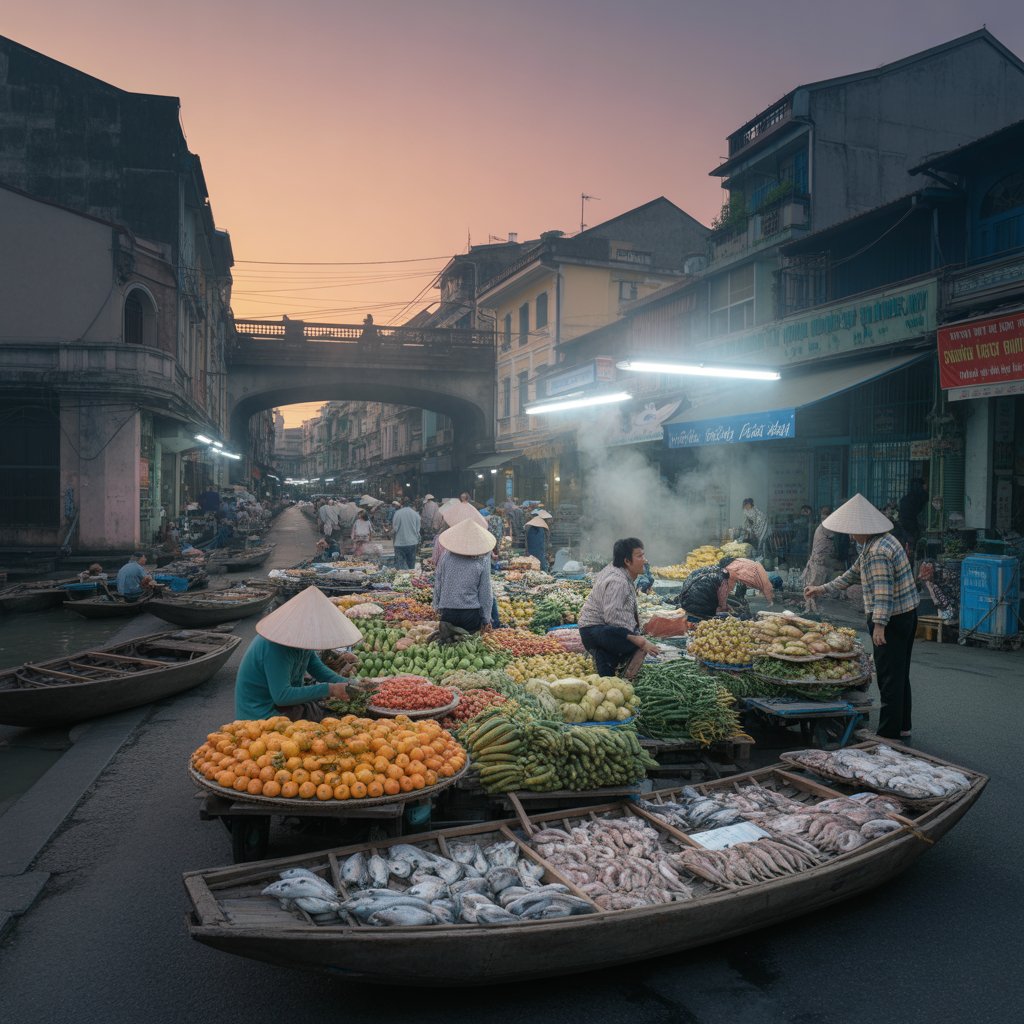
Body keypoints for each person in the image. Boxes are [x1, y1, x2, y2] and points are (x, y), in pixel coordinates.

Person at [804, 494, 920, 740]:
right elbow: (851, 575)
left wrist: (879, 626)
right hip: (905, 613)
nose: (849, 535)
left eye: (851, 531)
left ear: (862, 529)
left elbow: (883, 592)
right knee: (899, 673)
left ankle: (889, 733)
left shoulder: (877, 551)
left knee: (889, 676)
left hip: (893, 618)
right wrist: (821, 589)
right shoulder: (877, 543)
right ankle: (903, 725)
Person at [234, 586, 366, 721]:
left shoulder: (301, 640)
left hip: (281, 706)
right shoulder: (275, 647)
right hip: (261, 714)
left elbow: (317, 669)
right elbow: (282, 696)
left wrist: (351, 684)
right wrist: (330, 689)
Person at [578, 537, 661, 679]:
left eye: (643, 555)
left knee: (629, 640)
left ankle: (605, 660)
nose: (645, 560)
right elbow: (613, 620)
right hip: (596, 632)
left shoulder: (618, 570)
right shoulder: (618, 582)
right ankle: (625, 671)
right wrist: (640, 640)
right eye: (640, 556)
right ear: (627, 561)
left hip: (601, 630)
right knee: (635, 644)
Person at [431, 518, 496, 636]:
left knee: (447, 650)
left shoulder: (446, 556)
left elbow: (439, 581)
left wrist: (436, 605)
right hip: (470, 613)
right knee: (468, 650)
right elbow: (485, 592)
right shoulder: (482, 561)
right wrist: (486, 618)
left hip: (448, 611)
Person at [802, 507, 836, 614]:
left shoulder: (823, 526)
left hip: (819, 561)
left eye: (826, 514)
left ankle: (812, 609)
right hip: (818, 562)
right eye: (823, 514)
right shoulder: (826, 526)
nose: (823, 516)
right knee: (815, 587)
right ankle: (811, 610)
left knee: (816, 586)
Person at [896, 479, 928, 563]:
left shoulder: (905, 499)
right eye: (925, 485)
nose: (926, 487)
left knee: (907, 546)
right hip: (913, 526)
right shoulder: (922, 497)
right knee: (913, 546)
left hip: (904, 526)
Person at [391, 498, 421, 570]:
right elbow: (418, 530)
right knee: (411, 567)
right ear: (411, 504)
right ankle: (410, 580)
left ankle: (401, 580)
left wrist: (391, 536)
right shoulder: (416, 514)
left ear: (401, 504)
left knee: (401, 567)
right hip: (412, 543)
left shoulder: (398, 513)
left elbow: (395, 529)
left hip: (400, 544)